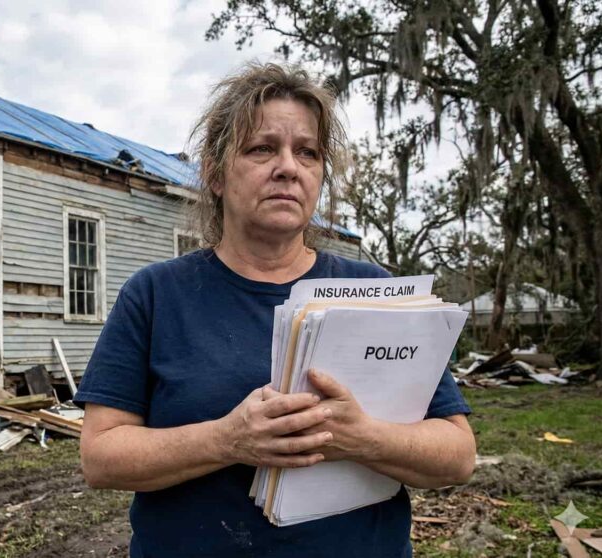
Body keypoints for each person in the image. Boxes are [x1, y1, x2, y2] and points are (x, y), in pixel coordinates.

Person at [73, 62, 476, 557]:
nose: (288, 166)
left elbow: (456, 456)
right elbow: (101, 458)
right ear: (216, 175)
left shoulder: (378, 293)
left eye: (307, 152)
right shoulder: (157, 295)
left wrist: (361, 436)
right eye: (262, 148)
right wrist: (227, 439)